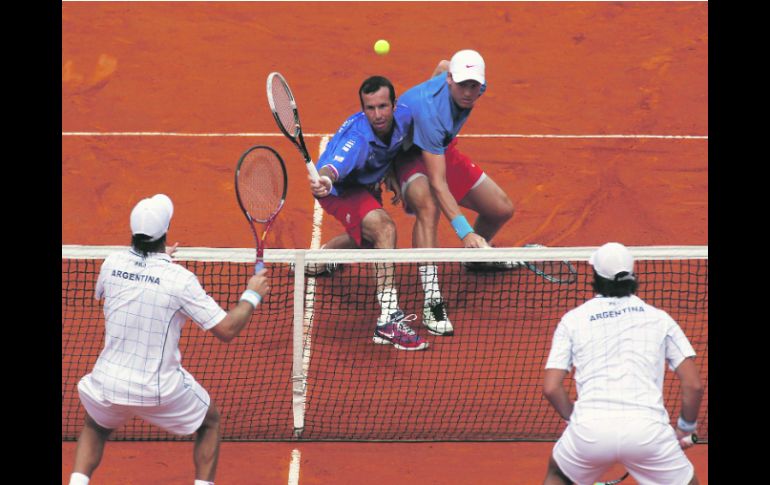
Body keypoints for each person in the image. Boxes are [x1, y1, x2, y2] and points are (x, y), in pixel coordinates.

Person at [68, 194, 270, 485]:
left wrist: (156, 264)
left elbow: (125, 282)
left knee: (96, 425)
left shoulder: (110, 264)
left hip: (108, 384)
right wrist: (252, 293)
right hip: (158, 389)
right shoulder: (180, 280)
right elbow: (227, 330)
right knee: (210, 423)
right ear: (166, 231)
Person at [541, 242, 703, 485]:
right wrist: (684, 428)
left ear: (594, 276)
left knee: (558, 474)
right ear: (631, 275)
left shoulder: (571, 321)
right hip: (647, 434)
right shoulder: (660, 319)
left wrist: (575, 419)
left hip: (589, 433)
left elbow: (551, 388)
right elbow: (693, 385)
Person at [389, 49, 516, 337]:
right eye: (462, 85)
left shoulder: (461, 80)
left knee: (501, 209)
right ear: (449, 80)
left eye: (474, 85)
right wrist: (464, 232)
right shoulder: (433, 114)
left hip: (439, 147)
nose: (468, 92)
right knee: (429, 206)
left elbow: (442, 63)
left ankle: (475, 258)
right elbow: (437, 183)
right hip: (407, 156)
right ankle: (432, 299)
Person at [309, 75, 429, 350]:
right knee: (383, 228)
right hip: (339, 190)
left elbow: (395, 148)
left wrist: (392, 176)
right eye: (370, 108)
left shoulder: (404, 118)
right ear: (363, 109)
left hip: (365, 184)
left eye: (382, 106)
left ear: (394, 105)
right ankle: (388, 319)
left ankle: (315, 262)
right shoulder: (357, 140)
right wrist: (325, 180)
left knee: (369, 236)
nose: (377, 114)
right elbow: (333, 169)